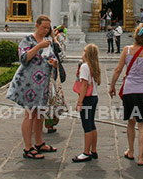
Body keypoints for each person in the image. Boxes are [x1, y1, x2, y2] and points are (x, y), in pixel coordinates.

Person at [6, 15, 59, 160]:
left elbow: (52, 58)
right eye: (43, 27)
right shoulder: (28, 40)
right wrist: (38, 47)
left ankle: (39, 142)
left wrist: (54, 63)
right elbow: (23, 58)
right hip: (28, 85)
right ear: (36, 26)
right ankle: (28, 147)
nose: (46, 30)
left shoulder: (47, 42)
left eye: (48, 28)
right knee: (30, 114)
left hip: (42, 85)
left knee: (40, 113)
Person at [109, 22, 143, 166]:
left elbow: (118, 70)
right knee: (142, 124)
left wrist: (112, 86)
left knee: (131, 122)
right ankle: (141, 157)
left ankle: (131, 151)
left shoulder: (126, 50)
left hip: (129, 90)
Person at [72, 43, 101, 162]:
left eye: (84, 51)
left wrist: (80, 102)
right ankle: (93, 150)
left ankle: (86, 152)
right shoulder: (93, 66)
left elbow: (84, 85)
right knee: (92, 124)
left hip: (87, 99)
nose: (82, 53)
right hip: (94, 97)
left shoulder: (85, 66)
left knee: (87, 126)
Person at [46, 26, 66, 134]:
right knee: (51, 101)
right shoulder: (50, 43)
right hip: (50, 77)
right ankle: (49, 125)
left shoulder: (39, 42)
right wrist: (54, 38)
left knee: (44, 102)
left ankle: (39, 125)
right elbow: (59, 49)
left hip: (41, 77)